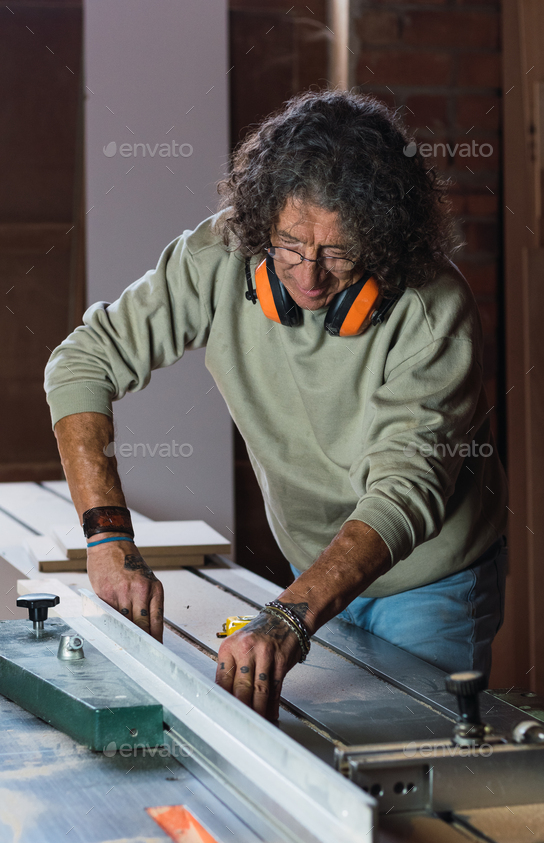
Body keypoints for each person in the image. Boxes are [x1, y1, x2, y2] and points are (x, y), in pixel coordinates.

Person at [45, 90, 508, 722]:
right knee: (309, 746)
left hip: (429, 580)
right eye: (290, 244)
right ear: (262, 222)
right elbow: (82, 362)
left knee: (409, 757)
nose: (310, 276)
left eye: (339, 252)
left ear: (386, 243)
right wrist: (107, 538)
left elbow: (406, 491)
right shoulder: (215, 259)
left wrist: (292, 614)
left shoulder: (434, 310)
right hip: (312, 564)